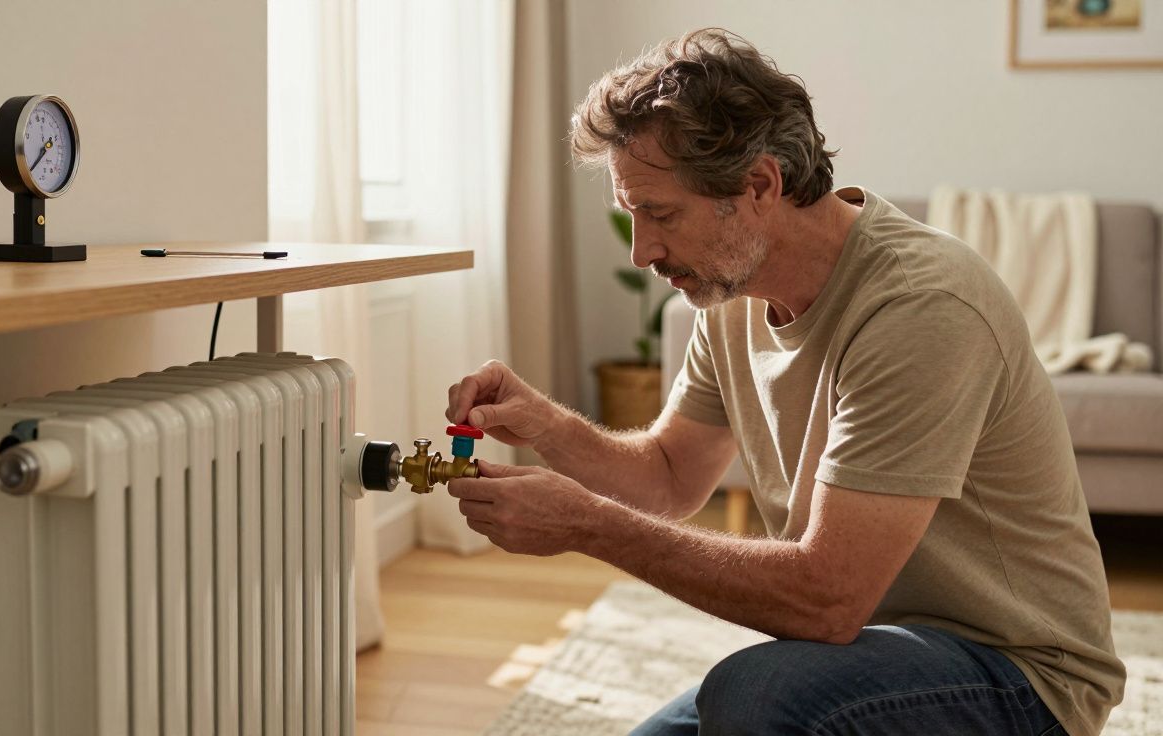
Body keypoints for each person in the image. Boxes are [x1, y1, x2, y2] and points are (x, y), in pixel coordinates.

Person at [443, 28, 1124, 736]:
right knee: (732, 705)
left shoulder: (920, 305)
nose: (643, 251)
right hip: (868, 653)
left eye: (662, 214)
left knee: (758, 693)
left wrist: (589, 524)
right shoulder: (730, 295)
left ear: (761, 186)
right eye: (632, 215)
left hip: (1021, 677)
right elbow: (670, 476)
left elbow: (825, 600)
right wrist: (546, 424)